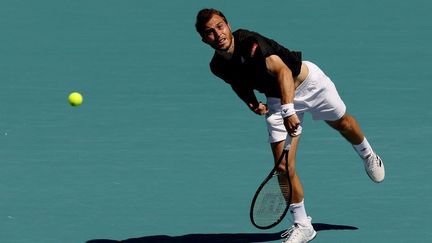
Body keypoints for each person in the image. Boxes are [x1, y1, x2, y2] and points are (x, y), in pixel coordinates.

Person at [195, 8, 385, 243]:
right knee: (282, 167)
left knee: (343, 123)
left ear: (228, 24)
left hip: (308, 83)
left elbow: (282, 71)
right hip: (276, 100)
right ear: (204, 40)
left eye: (220, 26)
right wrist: (253, 103)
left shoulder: (250, 43)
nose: (218, 34)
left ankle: (368, 154)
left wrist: (289, 110)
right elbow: (236, 82)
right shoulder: (217, 66)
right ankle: (303, 224)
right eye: (210, 33)